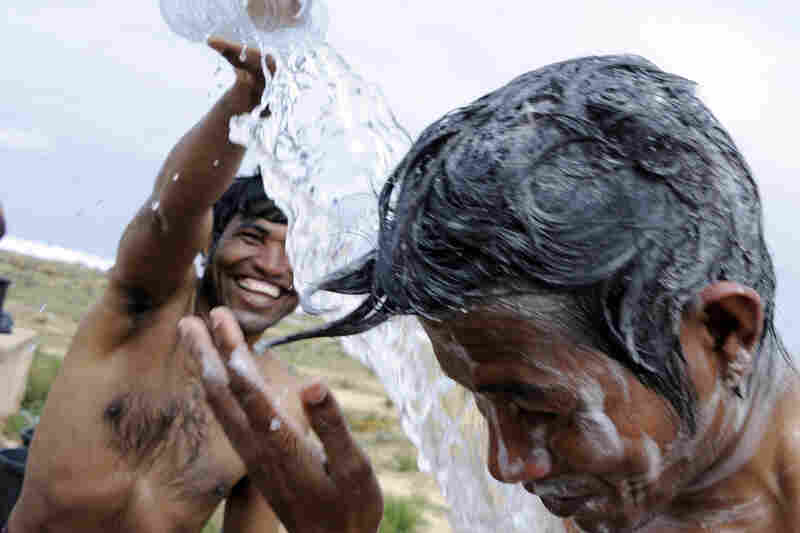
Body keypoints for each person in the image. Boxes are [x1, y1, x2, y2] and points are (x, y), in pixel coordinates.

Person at [181, 55, 800, 532]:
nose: (504, 466)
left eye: (541, 411)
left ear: (723, 332)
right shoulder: (635, 485)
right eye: (481, 403)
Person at [3, 30, 367, 533]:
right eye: (253, 237)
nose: (271, 265)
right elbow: (171, 211)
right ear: (211, 244)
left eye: (295, 253)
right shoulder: (143, 310)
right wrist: (248, 97)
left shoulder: (282, 404)